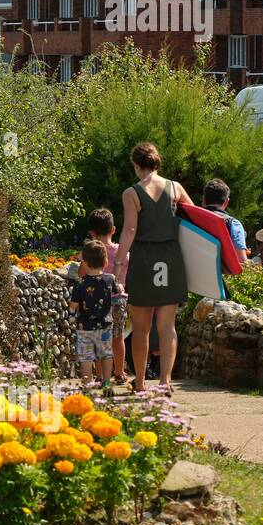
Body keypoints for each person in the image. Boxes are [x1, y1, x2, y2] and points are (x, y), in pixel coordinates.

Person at [114, 141, 192, 394]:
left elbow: (130, 230)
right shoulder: (175, 187)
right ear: (156, 162)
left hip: (144, 259)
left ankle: (139, 383)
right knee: (167, 326)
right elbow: (194, 218)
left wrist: (117, 264)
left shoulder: (132, 193)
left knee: (141, 328)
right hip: (171, 257)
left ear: (136, 165)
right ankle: (165, 381)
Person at [70, 239, 121, 393]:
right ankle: (106, 383)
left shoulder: (79, 283)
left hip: (84, 327)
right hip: (105, 326)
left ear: (84, 263)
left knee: (86, 357)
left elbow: (73, 305)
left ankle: (87, 386)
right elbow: (118, 292)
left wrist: (72, 312)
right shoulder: (109, 279)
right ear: (105, 262)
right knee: (106, 354)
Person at [86, 207, 129, 384]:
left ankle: (101, 375)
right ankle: (119, 372)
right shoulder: (124, 253)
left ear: (92, 233)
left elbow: (82, 273)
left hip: (96, 299)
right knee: (118, 337)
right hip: (119, 299)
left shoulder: (90, 251)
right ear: (113, 230)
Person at [202, 178, 250, 259]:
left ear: (204, 199)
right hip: (219, 271)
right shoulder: (233, 224)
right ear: (227, 201)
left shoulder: (191, 219)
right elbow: (241, 260)